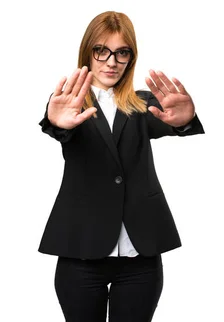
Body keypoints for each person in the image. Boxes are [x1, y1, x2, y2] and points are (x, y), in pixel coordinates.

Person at [38, 11, 205, 321]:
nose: (111, 61)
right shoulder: (69, 103)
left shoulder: (144, 103)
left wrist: (184, 122)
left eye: (122, 52)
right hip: (81, 252)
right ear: (87, 52)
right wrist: (56, 123)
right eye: (101, 51)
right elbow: (60, 127)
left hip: (140, 255)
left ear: (131, 58)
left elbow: (174, 123)